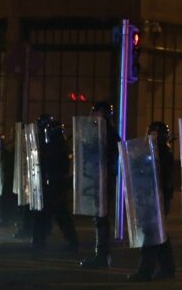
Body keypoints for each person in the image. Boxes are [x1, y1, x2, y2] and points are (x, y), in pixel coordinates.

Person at [127, 121, 177, 281]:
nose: (152, 137)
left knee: (151, 233)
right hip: (150, 196)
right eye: (151, 133)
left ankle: (145, 271)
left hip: (158, 198)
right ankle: (168, 268)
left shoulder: (163, 152)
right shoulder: (150, 151)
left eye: (156, 134)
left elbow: (162, 177)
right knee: (159, 233)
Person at [31, 115, 80, 253]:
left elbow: (56, 164)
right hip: (53, 183)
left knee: (56, 214)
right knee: (56, 214)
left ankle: (40, 241)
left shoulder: (57, 146)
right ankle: (41, 241)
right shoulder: (54, 145)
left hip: (55, 183)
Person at [80, 102, 120, 269]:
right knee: (100, 218)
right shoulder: (103, 132)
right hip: (100, 178)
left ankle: (102, 256)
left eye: (96, 112)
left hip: (104, 179)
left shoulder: (107, 134)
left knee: (101, 219)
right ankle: (102, 255)